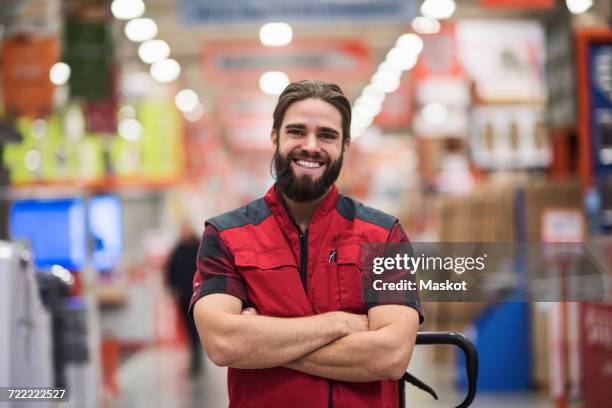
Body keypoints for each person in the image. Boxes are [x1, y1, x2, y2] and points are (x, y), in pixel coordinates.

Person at [190, 80, 423, 407]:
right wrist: (340, 323)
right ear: (275, 138)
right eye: (297, 131)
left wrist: (260, 342)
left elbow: (390, 355)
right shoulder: (226, 235)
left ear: (345, 146)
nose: (311, 146)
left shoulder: (383, 235)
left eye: (327, 135)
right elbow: (223, 344)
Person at [166, 221, 202, 376]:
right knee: (189, 329)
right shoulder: (177, 249)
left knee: (198, 328)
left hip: (200, 296)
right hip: (184, 296)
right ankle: (195, 358)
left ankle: (197, 357)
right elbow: (170, 270)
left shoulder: (200, 247)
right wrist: (172, 288)